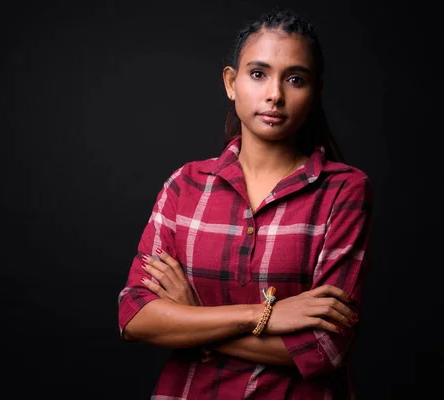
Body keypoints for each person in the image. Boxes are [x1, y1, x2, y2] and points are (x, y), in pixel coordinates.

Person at [117, 7, 372, 399]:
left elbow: (325, 350)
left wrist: (194, 323)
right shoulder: (185, 185)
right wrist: (264, 314)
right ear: (231, 83)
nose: (275, 94)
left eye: (295, 79)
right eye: (258, 74)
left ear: (315, 92)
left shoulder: (343, 190)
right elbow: (134, 316)